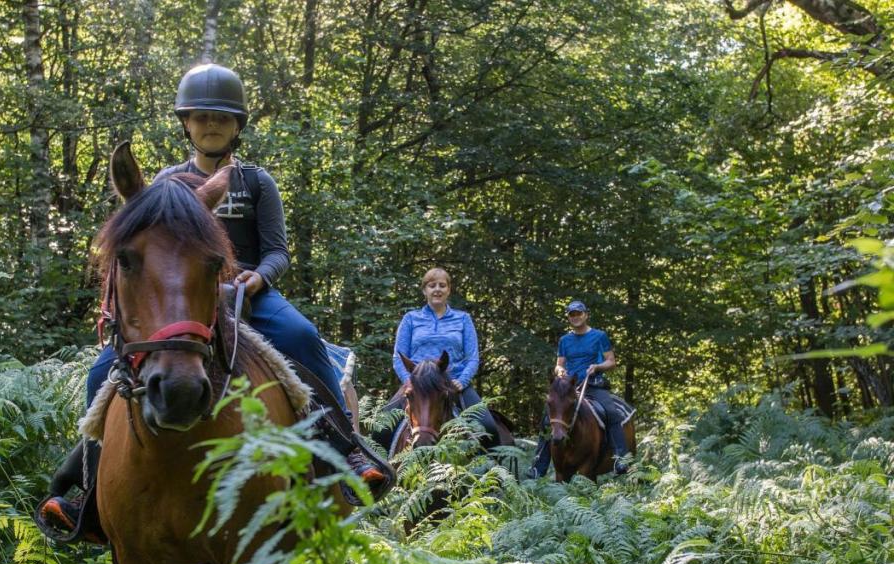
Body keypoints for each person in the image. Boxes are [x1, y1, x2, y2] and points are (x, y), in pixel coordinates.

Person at [39, 64, 386, 539]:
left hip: (249, 294)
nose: (211, 125)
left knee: (303, 338)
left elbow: (278, 250)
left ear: (238, 126)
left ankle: (346, 448)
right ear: (186, 123)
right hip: (182, 297)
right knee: (104, 369)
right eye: (201, 117)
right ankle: (84, 489)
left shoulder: (257, 182)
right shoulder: (165, 182)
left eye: (222, 118)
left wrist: (258, 279)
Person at [374, 267, 500, 449]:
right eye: (432, 285)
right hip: (417, 384)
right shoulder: (410, 319)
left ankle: (496, 474)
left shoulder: (463, 319)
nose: (437, 289)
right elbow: (398, 357)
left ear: (449, 290)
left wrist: (462, 381)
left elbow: (472, 358)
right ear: (425, 290)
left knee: (489, 427)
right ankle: (380, 474)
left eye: (442, 285)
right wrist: (409, 382)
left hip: (453, 383)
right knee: (381, 428)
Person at [529, 300, 630, 478]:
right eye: (571, 314)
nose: (575, 317)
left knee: (612, 413)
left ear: (586, 315)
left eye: (578, 313)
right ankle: (539, 465)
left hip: (593, 385)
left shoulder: (599, 336)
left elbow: (611, 361)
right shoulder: (564, 340)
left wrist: (597, 367)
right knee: (548, 419)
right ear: (568, 317)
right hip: (568, 388)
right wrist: (560, 370)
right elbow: (559, 364)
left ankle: (620, 459)